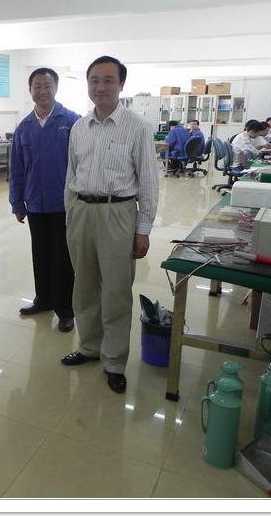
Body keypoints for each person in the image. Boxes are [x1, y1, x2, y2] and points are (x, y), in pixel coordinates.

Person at [61, 55, 159, 394]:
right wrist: (70, 216)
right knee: (84, 285)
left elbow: (148, 182)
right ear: (87, 84)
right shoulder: (79, 127)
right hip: (82, 212)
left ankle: (114, 360)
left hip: (118, 212)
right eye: (94, 80)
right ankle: (89, 347)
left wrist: (143, 230)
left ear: (121, 85)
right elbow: (71, 175)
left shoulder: (137, 127)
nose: (100, 87)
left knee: (116, 291)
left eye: (108, 80)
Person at [9, 68, 80, 332]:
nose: (42, 91)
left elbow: (82, 165)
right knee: (40, 254)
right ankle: (43, 299)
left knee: (63, 259)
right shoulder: (24, 127)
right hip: (36, 204)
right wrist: (17, 202)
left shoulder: (72, 122)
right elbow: (17, 168)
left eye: (47, 86)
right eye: (37, 86)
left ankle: (65, 309)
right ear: (30, 91)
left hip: (65, 205)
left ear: (56, 89)